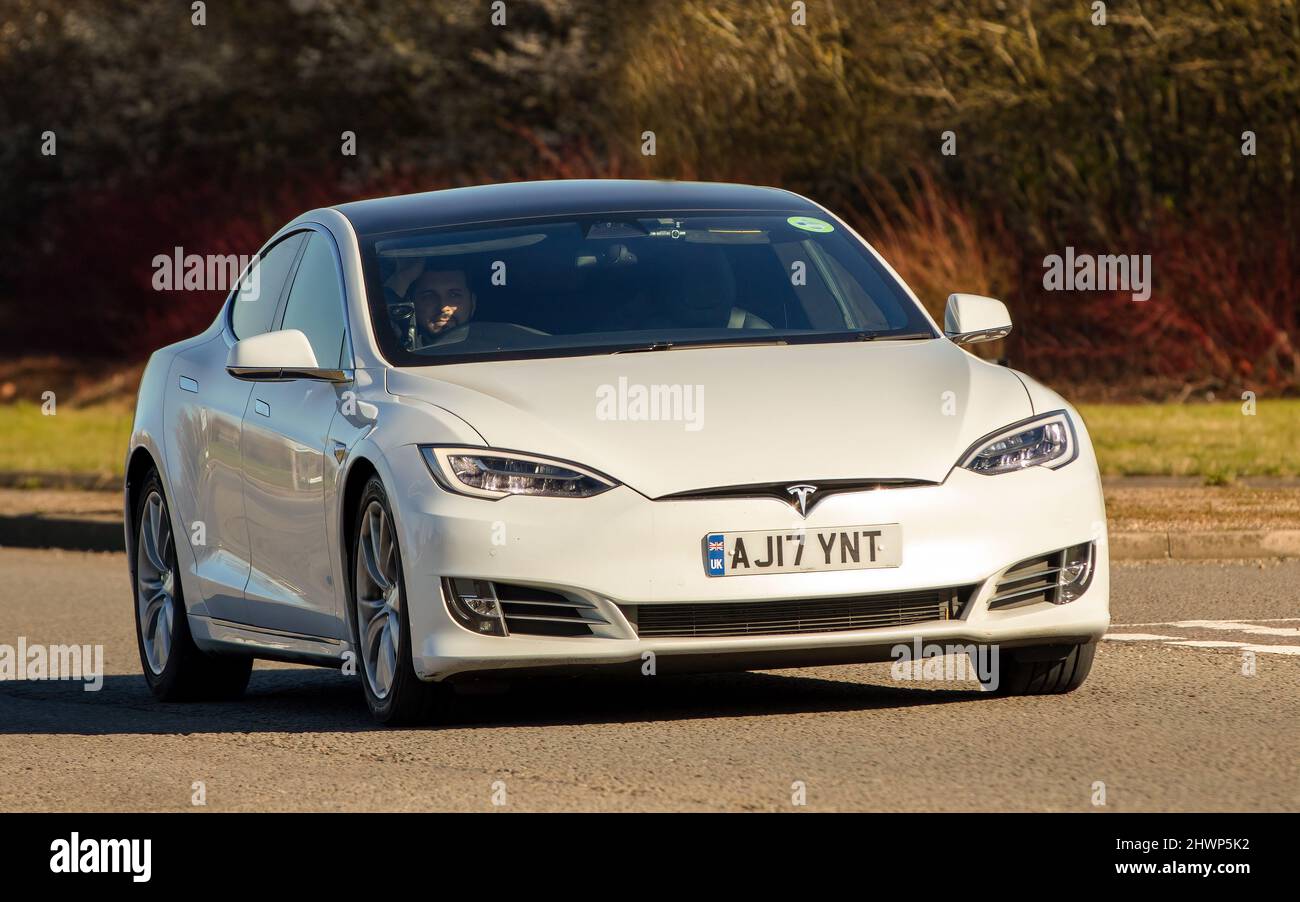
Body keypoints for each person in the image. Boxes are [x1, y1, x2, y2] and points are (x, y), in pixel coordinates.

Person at [407, 268, 476, 348]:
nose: (443, 307)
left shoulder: (491, 351)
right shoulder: (396, 353)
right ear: (412, 303)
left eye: (454, 295)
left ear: (473, 302)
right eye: (429, 296)